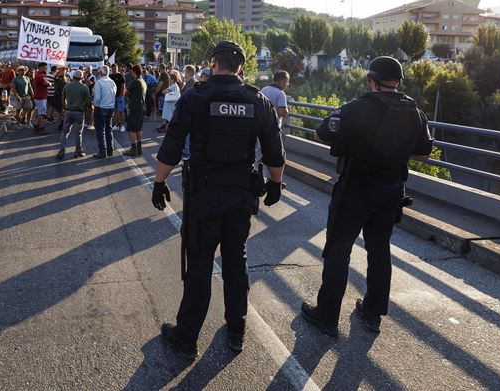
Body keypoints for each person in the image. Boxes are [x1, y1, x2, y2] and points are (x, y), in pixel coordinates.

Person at [151, 40, 286, 358]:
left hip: (203, 194)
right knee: (236, 260)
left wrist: (159, 182)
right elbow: (274, 152)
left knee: (199, 264)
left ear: (214, 64)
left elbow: (170, 147)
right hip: (240, 193)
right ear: (240, 68)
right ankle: (237, 330)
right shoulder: (258, 100)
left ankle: (186, 338)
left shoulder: (195, 97)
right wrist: (275, 184)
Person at [301, 56, 433, 337]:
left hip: (355, 189)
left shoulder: (357, 108)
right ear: (397, 82)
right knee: (379, 249)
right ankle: (373, 313)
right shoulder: (415, 112)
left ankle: (327, 316)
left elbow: (320, 134)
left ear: (371, 80)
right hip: (391, 190)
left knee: (339, 250)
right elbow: (423, 152)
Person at [57, 70, 91, 159]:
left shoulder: (67, 86)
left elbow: (63, 97)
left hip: (68, 111)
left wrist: (65, 107)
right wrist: (89, 108)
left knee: (65, 132)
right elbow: (88, 102)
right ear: (82, 77)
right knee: (78, 133)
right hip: (79, 112)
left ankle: (61, 152)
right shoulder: (84, 87)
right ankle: (77, 152)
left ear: (73, 77)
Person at [92, 65, 117, 158]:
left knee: (100, 130)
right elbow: (114, 94)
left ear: (101, 72)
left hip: (101, 107)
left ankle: (102, 151)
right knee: (108, 129)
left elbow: (97, 98)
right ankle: (110, 150)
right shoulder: (112, 82)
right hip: (110, 107)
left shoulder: (99, 82)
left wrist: (94, 104)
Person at [125, 64, 147, 156]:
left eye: (132, 72)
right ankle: (139, 147)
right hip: (141, 107)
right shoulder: (143, 81)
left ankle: (134, 148)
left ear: (134, 72)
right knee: (139, 128)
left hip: (135, 107)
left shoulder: (135, 81)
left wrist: (128, 94)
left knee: (131, 129)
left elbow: (125, 92)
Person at [32, 62, 50, 135]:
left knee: (41, 112)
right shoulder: (40, 76)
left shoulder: (41, 75)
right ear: (40, 67)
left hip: (41, 97)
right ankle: (40, 126)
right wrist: (49, 83)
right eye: (45, 67)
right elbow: (48, 84)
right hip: (40, 97)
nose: (46, 69)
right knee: (41, 113)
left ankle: (37, 125)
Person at [109, 63, 127, 131]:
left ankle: (122, 126)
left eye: (115, 69)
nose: (114, 70)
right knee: (115, 111)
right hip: (113, 97)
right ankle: (116, 125)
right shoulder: (110, 76)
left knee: (121, 111)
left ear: (117, 68)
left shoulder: (120, 76)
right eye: (112, 69)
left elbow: (123, 86)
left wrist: (121, 95)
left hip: (120, 96)